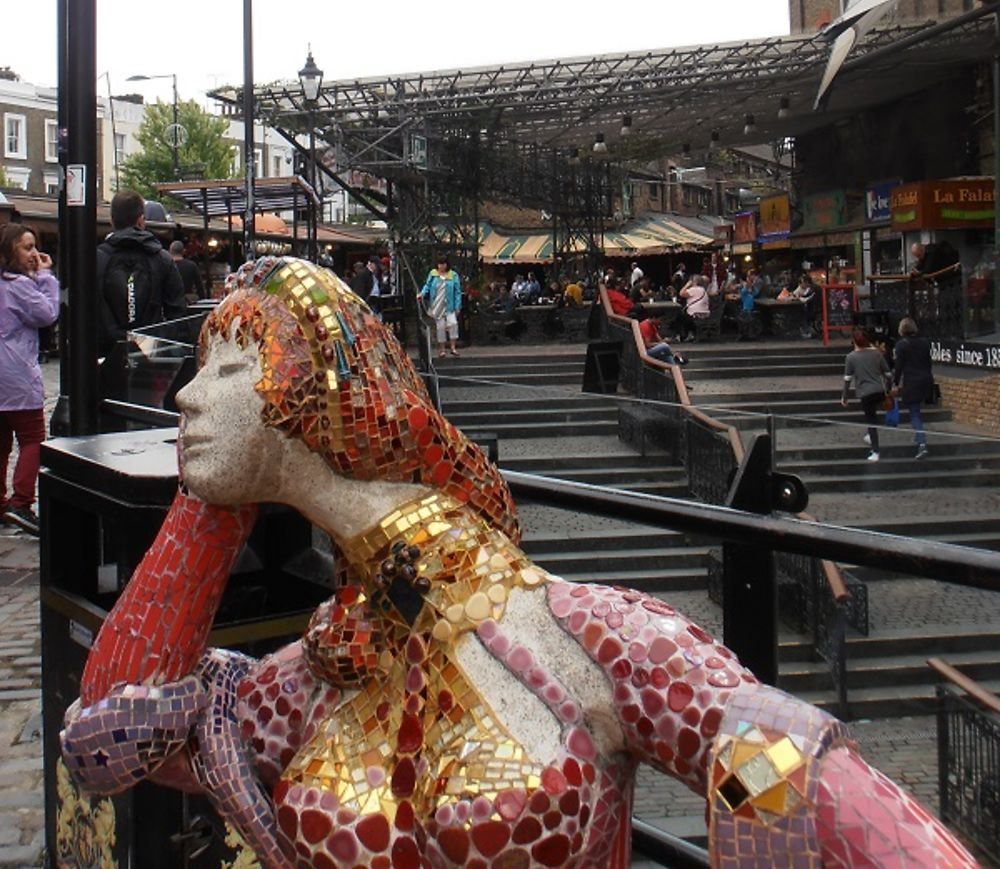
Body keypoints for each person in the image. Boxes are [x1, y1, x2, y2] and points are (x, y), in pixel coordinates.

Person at [60, 258, 974, 868]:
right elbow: (109, 737)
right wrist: (209, 508)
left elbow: (782, 768)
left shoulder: (589, 638)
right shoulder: (320, 672)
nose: (184, 392)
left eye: (224, 368)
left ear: (312, 385)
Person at [0, 224, 60, 536]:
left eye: (35, 247)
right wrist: (47, 278)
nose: (34, 254)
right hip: (16, 376)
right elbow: (47, 313)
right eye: (27, 248)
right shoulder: (18, 286)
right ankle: (21, 502)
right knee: (33, 438)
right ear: (10, 251)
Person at [96, 191, 187, 356]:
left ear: (112, 221)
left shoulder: (97, 259)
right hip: (151, 355)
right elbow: (177, 313)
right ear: (140, 220)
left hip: (106, 356)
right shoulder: (162, 258)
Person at [841, 329, 891, 462]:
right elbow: (888, 374)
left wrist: (844, 397)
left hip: (865, 392)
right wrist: (889, 388)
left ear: (855, 342)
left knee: (871, 420)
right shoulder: (877, 354)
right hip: (879, 390)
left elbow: (847, 379)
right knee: (874, 415)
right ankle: (870, 436)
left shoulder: (851, 357)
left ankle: (875, 451)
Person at [892, 317, 932, 458]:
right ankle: (918, 436)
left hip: (912, 381)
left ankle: (921, 444)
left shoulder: (901, 346)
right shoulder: (925, 343)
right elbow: (928, 363)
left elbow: (898, 367)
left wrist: (895, 384)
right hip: (926, 380)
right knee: (917, 411)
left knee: (914, 412)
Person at [419, 255, 462, 357]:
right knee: (440, 327)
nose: (441, 266)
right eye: (439, 264)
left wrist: (457, 306)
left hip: (449, 305)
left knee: (453, 324)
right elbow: (428, 286)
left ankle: (453, 347)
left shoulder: (453, 275)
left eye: (443, 264)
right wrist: (422, 293)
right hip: (437, 304)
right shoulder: (433, 274)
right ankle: (442, 350)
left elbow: (457, 292)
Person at [169, 240, 206, 304]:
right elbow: (199, 286)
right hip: (188, 300)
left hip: (171, 300)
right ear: (183, 251)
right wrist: (203, 300)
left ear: (170, 251)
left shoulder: (166, 266)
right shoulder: (191, 265)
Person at [677, 274, 711, 340]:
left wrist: (687, 285)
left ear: (694, 282)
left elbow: (681, 293)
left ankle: (682, 336)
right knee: (683, 316)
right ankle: (690, 334)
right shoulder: (703, 290)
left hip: (696, 314)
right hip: (704, 314)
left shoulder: (694, 289)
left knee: (679, 317)